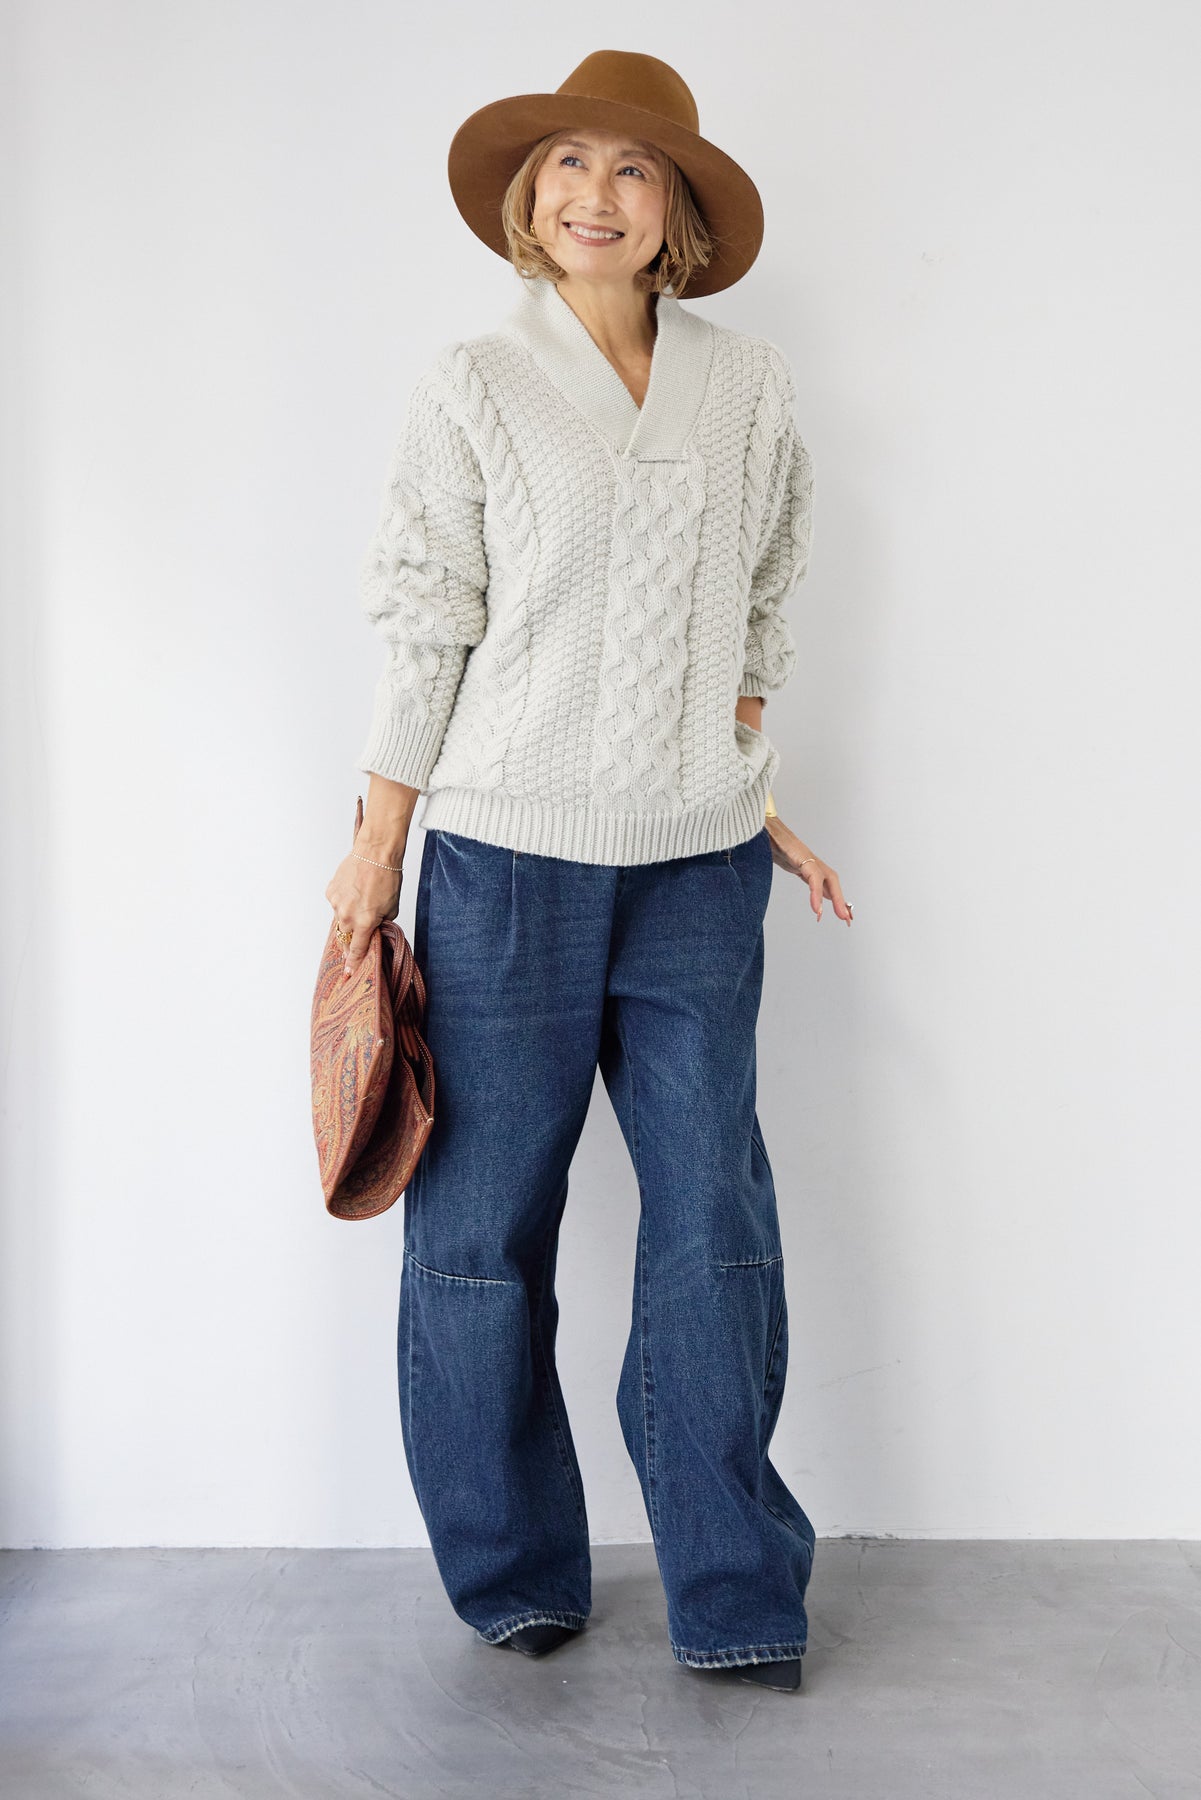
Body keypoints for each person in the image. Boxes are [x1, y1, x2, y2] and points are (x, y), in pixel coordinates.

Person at [325, 50, 852, 1695]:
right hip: (503, 863)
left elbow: (756, 597)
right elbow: (428, 611)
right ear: (527, 196)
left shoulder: (747, 384)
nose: (592, 196)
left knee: (712, 1224)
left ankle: (734, 1591)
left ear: (676, 209)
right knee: (481, 1229)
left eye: (631, 170)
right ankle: (513, 1574)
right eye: (565, 163)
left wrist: (742, 774)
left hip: (698, 873)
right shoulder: (475, 383)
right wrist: (375, 847)